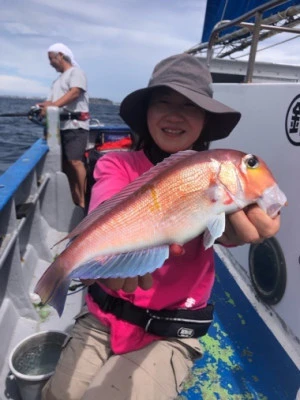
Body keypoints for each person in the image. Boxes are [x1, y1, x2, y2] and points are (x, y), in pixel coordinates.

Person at [42, 53, 281, 400]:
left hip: (171, 331)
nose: (174, 114)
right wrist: (100, 261)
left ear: (205, 120)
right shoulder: (115, 164)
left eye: (190, 105)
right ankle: (60, 273)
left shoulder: (219, 185)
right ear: (146, 114)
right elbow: (107, 206)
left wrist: (251, 223)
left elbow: (233, 226)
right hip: (101, 318)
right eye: (163, 102)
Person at [38, 43, 89, 209]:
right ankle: (73, 198)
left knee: (75, 161)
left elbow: (75, 92)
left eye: (51, 58)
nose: (50, 63)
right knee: (66, 165)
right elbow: (52, 101)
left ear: (60, 55)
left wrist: (52, 107)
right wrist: (41, 106)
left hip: (76, 126)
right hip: (60, 128)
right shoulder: (57, 81)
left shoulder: (76, 72)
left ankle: (83, 199)